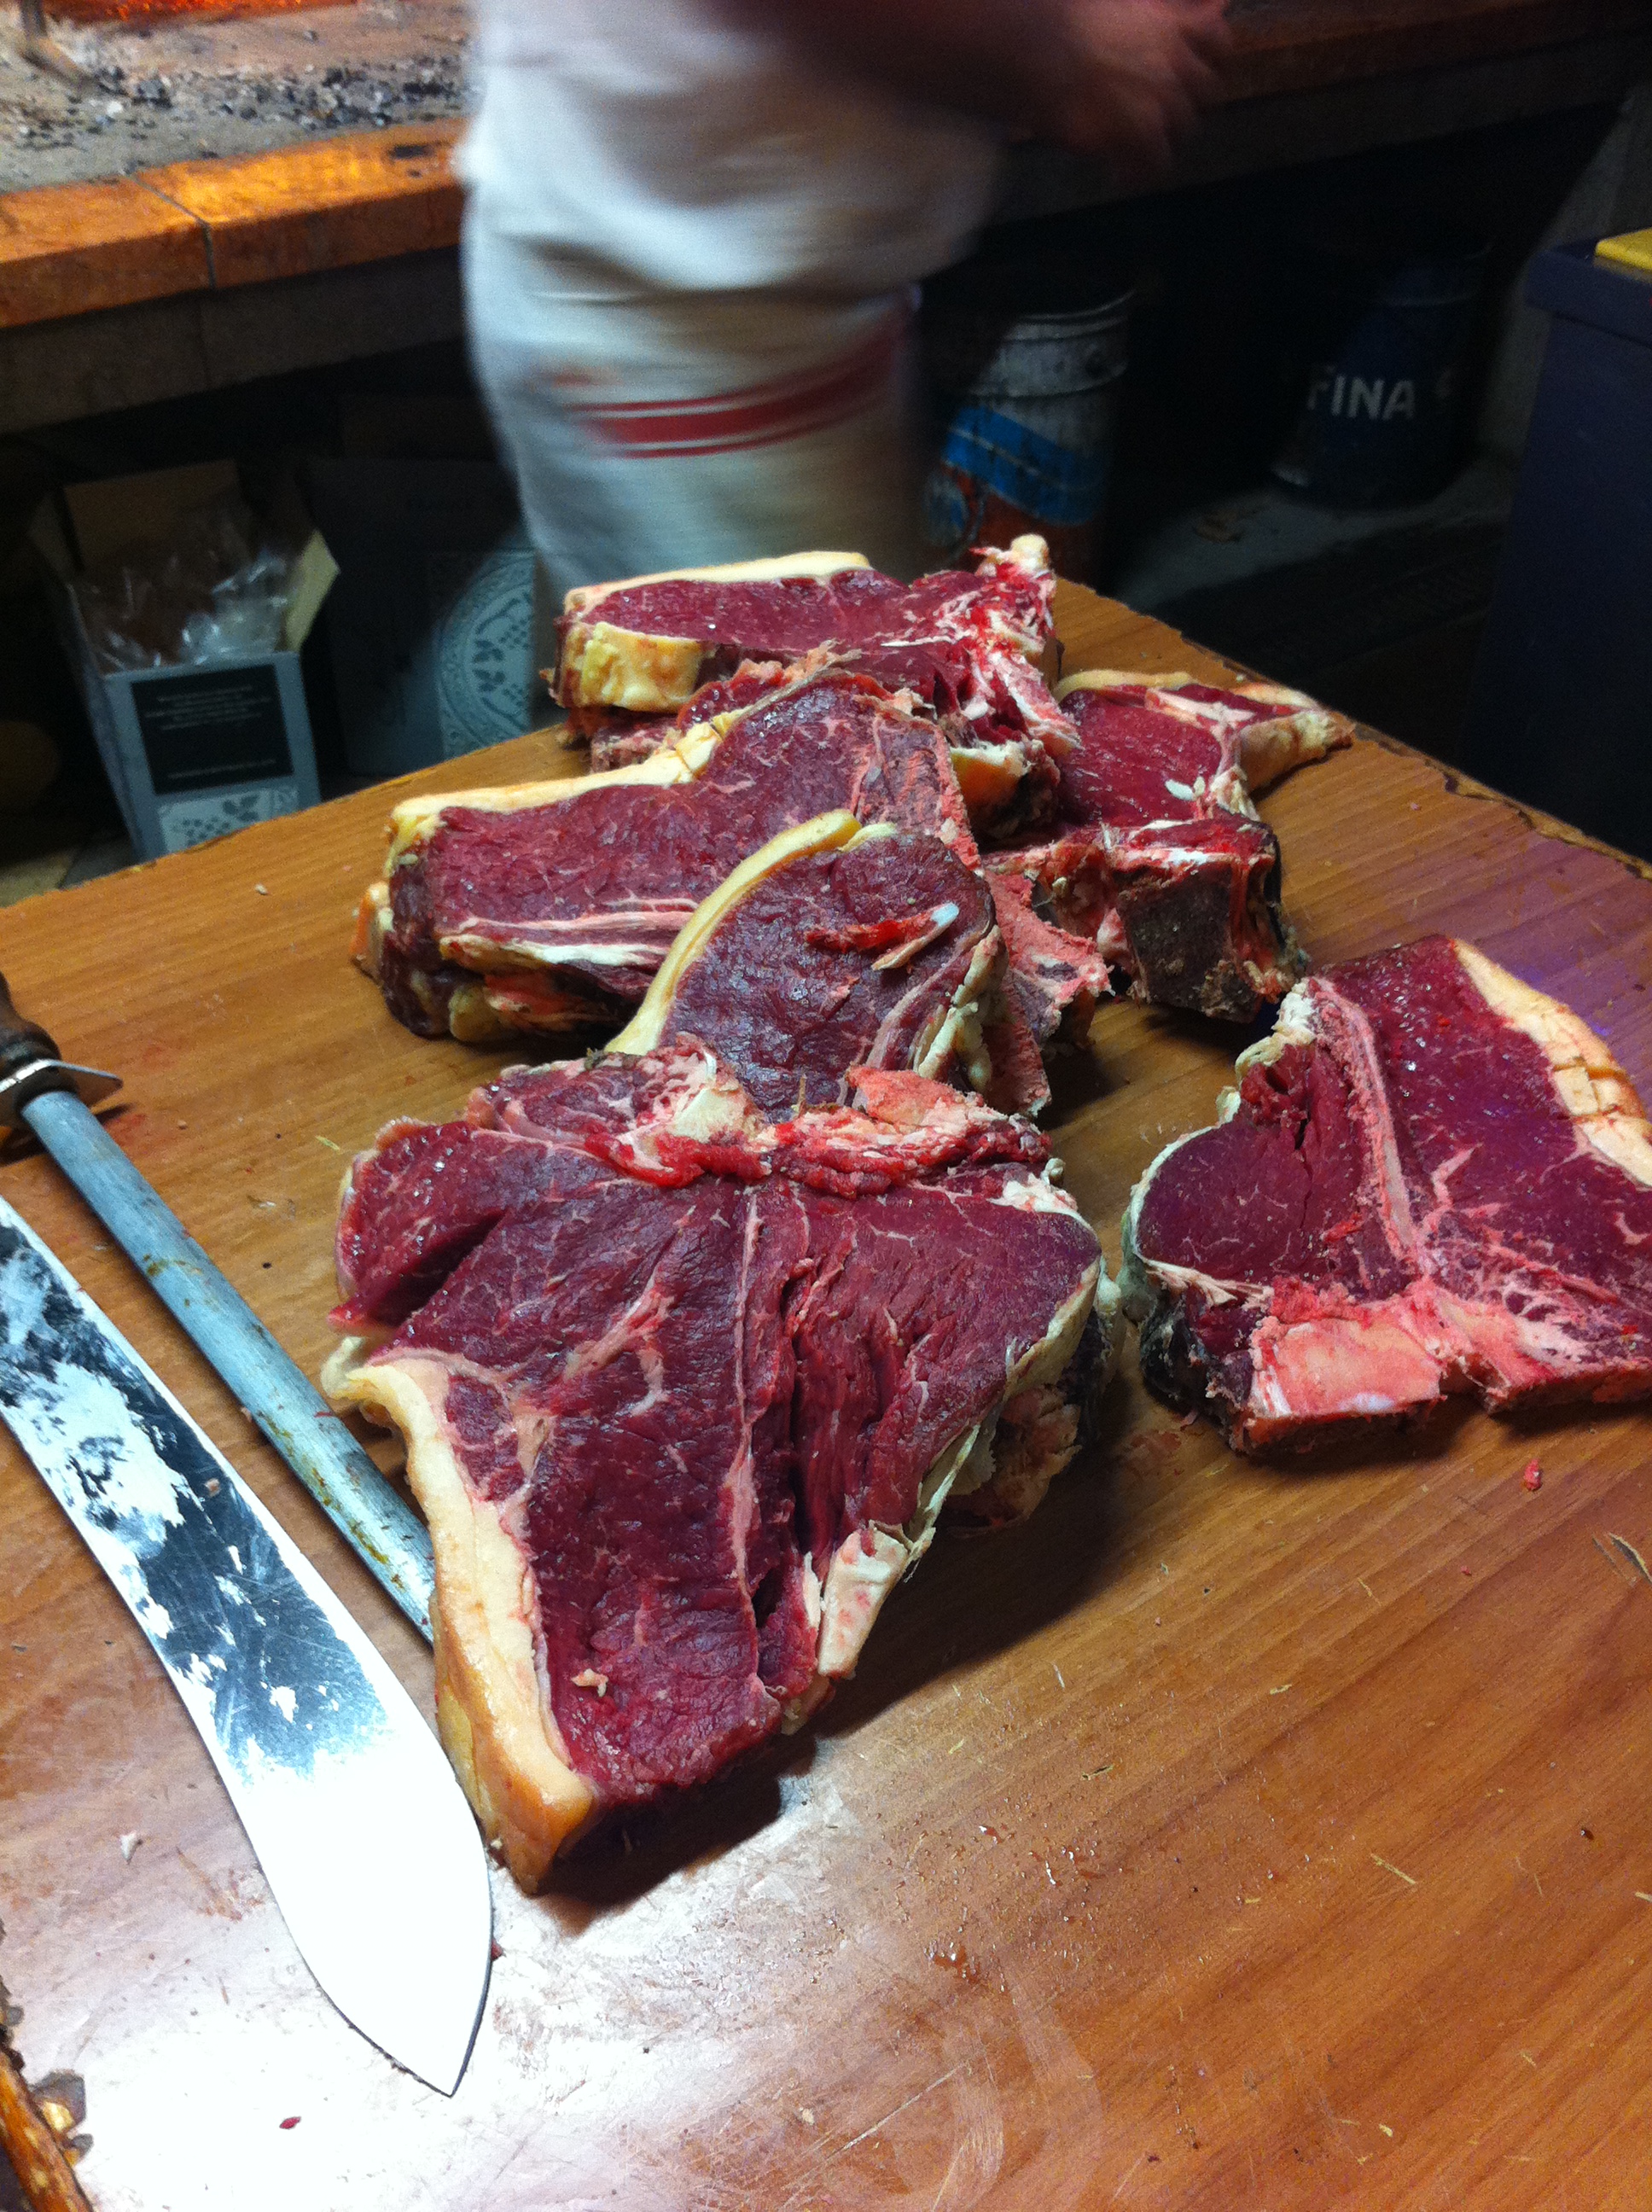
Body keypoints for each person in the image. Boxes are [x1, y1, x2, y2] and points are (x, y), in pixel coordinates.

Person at [460, 0, 1230, 604]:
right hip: (684, 323)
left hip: (785, 302)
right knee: (769, 737)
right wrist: (1062, 46)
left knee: (837, 714)